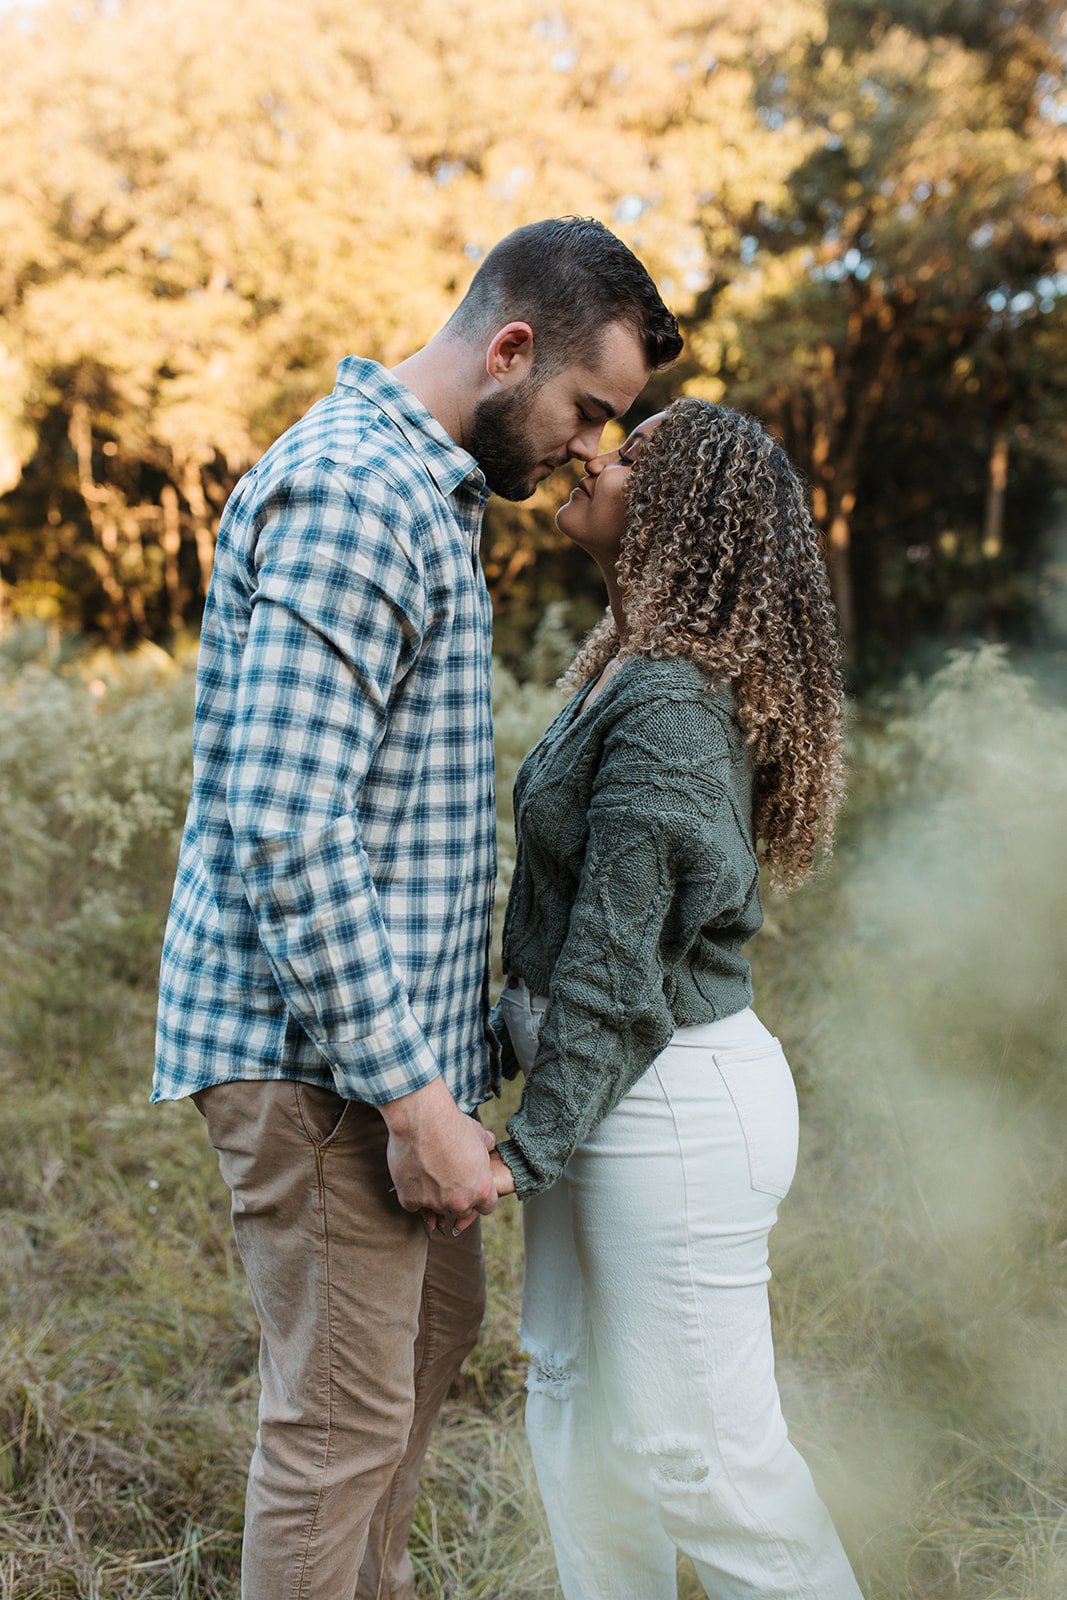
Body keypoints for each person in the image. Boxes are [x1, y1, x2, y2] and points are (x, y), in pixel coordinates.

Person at [152, 217, 682, 1600]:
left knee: (412, 1371)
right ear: (509, 349)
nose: (589, 449)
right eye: (587, 409)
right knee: (337, 1429)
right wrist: (412, 1101)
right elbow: (283, 820)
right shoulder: (352, 495)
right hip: (318, 1063)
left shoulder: (424, 492)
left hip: (385, 1058)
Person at [489, 397, 865, 1599]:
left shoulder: (665, 700)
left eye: (633, 451)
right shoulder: (629, 669)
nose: (593, 451)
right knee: (573, 1409)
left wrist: (522, 1147)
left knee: (703, 1467)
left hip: (669, 1106)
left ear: (688, 515)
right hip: (606, 1090)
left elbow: (612, 959)